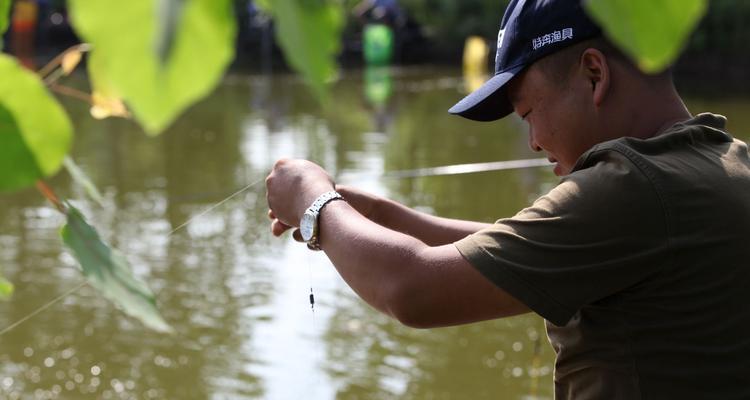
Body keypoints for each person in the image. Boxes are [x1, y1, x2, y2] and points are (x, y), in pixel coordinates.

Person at [266, 0, 750, 398]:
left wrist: (315, 205)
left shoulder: (633, 185)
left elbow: (412, 290)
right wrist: (380, 215)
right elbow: (530, 251)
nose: (534, 141)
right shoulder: (723, 160)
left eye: (528, 113)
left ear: (594, 75)